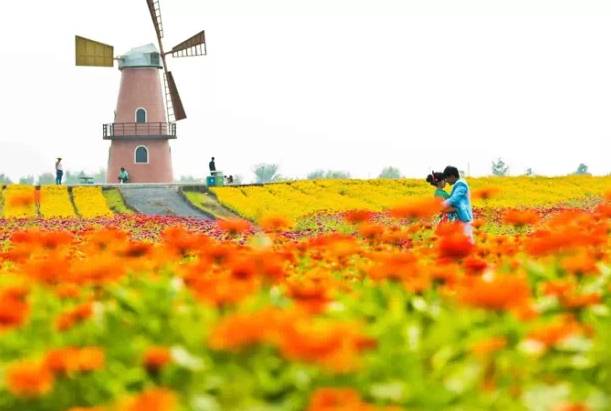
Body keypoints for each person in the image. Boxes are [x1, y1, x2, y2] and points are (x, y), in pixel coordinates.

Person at [442, 166, 474, 242]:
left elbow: (455, 199)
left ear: (452, 176)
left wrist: (441, 205)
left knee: (467, 240)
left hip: (464, 218)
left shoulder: (461, 184)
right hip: (461, 217)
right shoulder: (459, 184)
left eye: (446, 178)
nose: (446, 181)